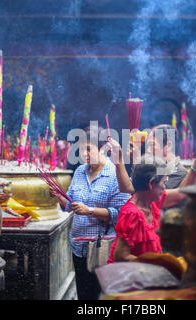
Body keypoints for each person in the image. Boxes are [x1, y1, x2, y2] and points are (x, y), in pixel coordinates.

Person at [51, 126, 130, 300]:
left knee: (100, 295)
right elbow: (71, 205)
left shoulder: (115, 174)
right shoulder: (80, 171)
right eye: (81, 150)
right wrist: (59, 196)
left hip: (101, 250)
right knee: (83, 294)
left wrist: (90, 211)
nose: (84, 154)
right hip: (78, 247)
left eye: (88, 149)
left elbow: (121, 214)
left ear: (103, 148)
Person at [106, 144, 196, 263]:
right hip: (130, 277)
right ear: (151, 184)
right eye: (163, 181)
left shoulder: (152, 202)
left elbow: (181, 193)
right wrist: (159, 264)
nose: (164, 186)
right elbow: (120, 256)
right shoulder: (132, 214)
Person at [145, 124, 188, 189]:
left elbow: (156, 195)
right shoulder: (154, 170)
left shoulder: (179, 174)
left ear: (168, 146)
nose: (148, 150)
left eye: (152, 145)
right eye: (148, 146)